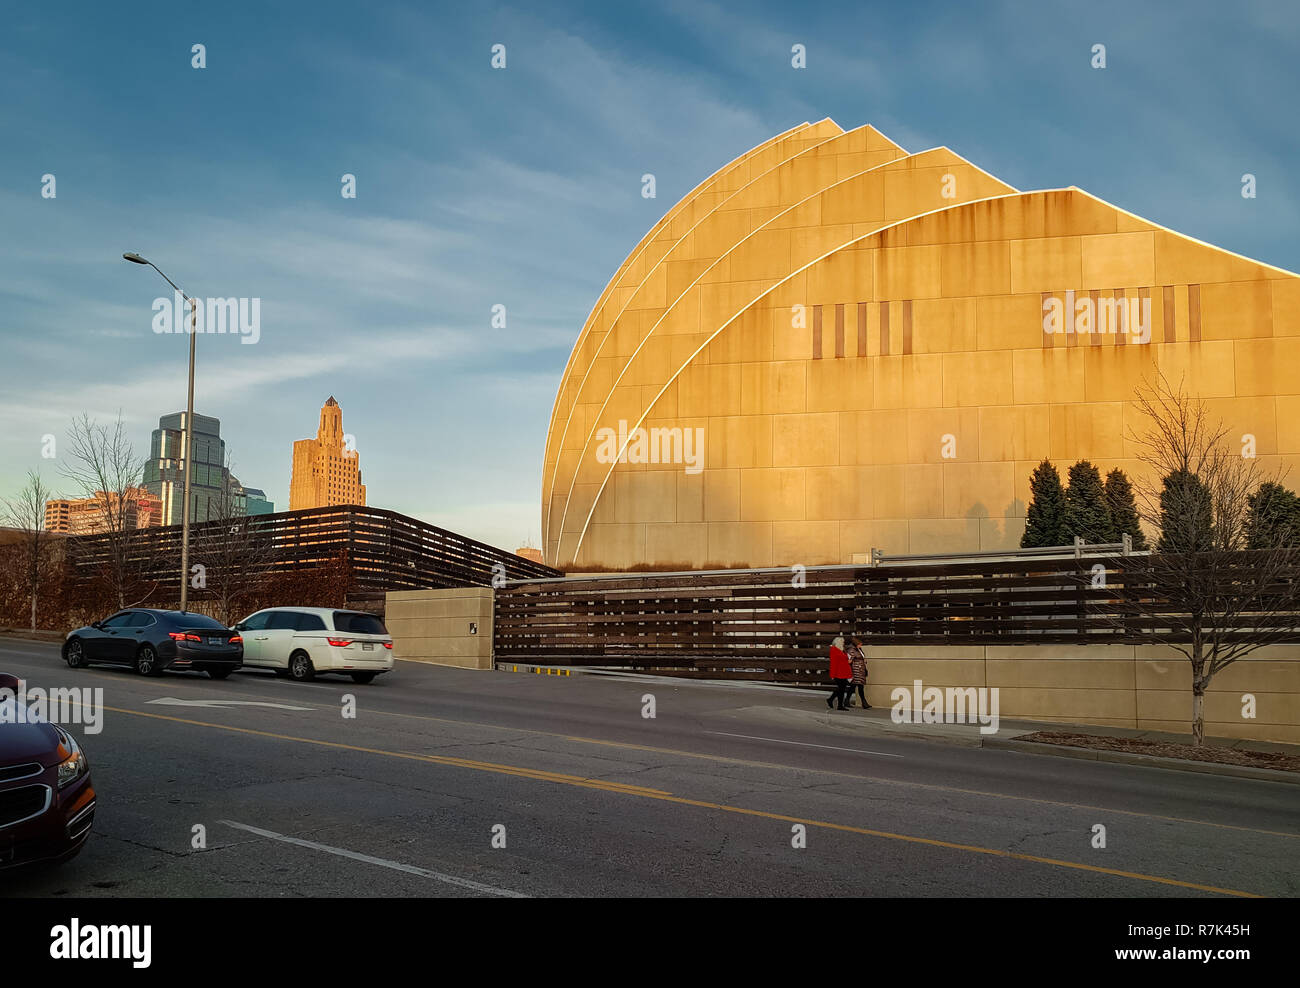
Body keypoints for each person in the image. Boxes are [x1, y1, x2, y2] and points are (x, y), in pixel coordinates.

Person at [826, 636, 851, 711]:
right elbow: (833, 663)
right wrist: (832, 674)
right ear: (839, 643)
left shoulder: (841, 650)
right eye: (842, 642)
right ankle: (839, 705)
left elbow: (844, 659)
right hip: (838, 673)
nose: (844, 643)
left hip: (842, 672)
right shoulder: (834, 650)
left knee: (841, 689)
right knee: (841, 689)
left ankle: (831, 700)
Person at [847, 637, 871, 709]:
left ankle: (847, 700)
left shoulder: (859, 650)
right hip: (856, 670)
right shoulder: (852, 650)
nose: (861, 645)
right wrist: (852, 659)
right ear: (856, 644)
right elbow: (849, 661)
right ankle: (864, 703)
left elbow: (862, 658)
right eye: (859, 644)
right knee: (858, 686)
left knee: (855, 686)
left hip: (861, 670)